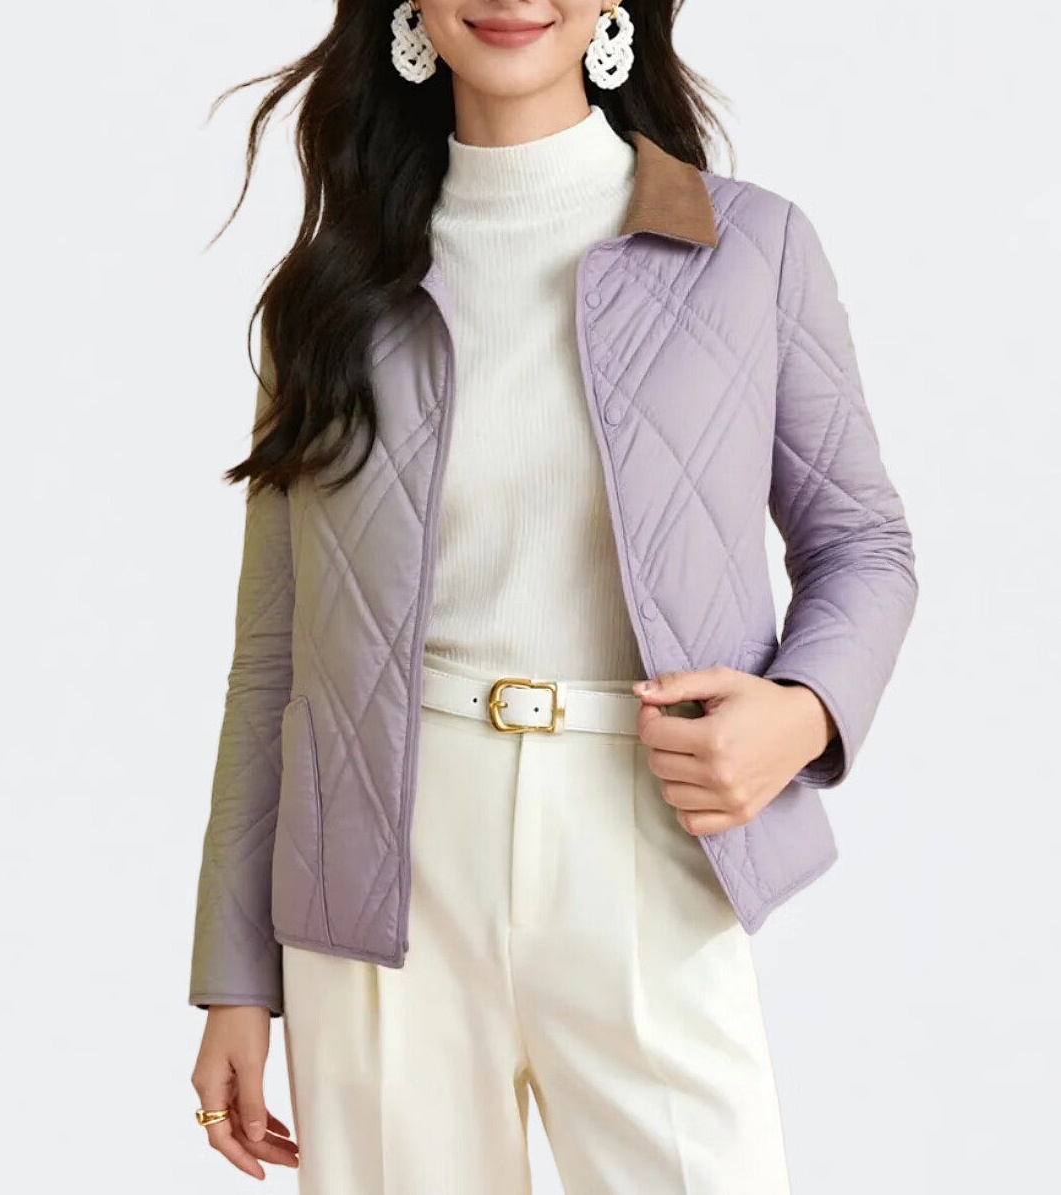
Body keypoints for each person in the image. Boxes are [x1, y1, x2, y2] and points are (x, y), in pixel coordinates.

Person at [187, 2, 919, 1191]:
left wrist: (803, 711)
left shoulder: (750, 248)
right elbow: (274, 655)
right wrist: (234, 976)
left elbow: (863, 542)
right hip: (379, 868)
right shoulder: (326, 293)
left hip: (645, 829)